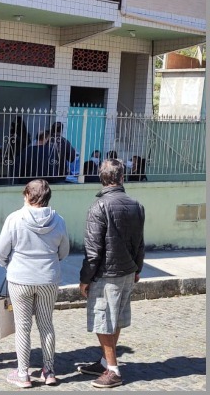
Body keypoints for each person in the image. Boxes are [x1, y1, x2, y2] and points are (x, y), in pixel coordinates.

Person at [0, 179, 70, 388]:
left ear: (28, 195)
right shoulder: (59, 220)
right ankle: (49, 370)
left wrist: (8, 265)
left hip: (20, 278)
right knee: (46, 325)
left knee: (23, 327)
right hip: (48, 278)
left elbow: (1, 250)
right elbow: (64, 251)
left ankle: (23, 374)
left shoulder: (15, 219)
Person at [77, 159, 145, 389]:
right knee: (112, 319)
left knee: (103, 321)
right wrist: (138, 268)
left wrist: (85, 278)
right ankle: (106, 361)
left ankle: (113, 370)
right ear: (122, 177)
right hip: (127, 270)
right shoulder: (136, 204)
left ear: (102, 178)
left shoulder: (99, 207)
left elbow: (92, 250)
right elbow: (140, 242)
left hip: (108, 273)